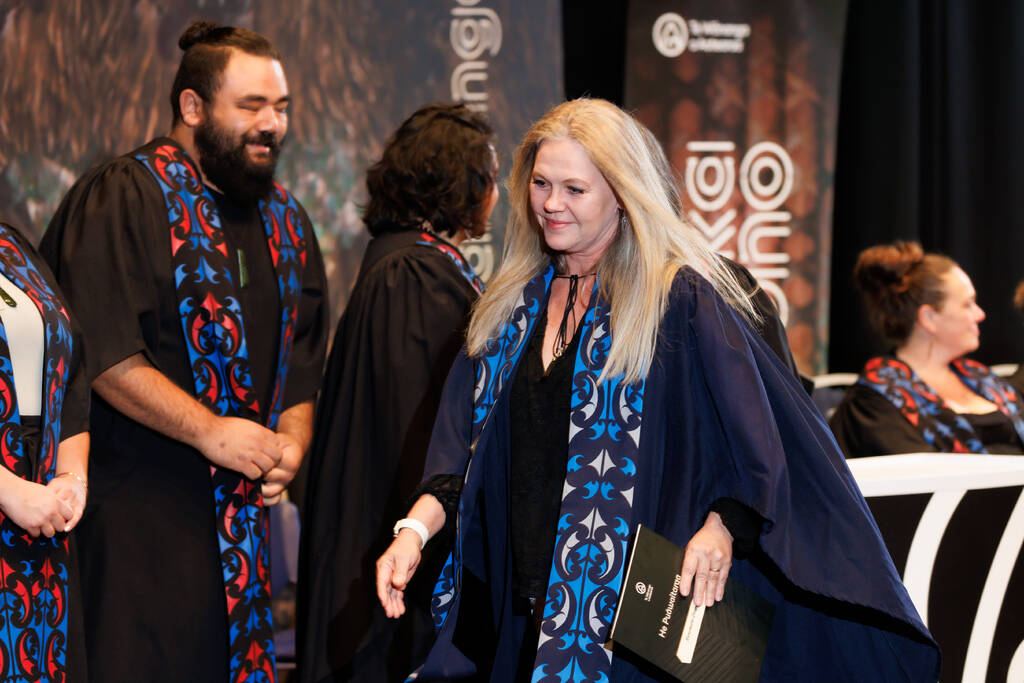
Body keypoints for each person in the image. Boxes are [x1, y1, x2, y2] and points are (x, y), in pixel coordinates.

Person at [374, 99, 939, 681]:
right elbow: (456, 453)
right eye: (541, 183)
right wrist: (412, 534)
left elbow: (757, 438)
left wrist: (723, 528)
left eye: (575, 189)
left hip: (637, 624)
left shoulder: (681, 301)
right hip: (516, 616)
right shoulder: (509, 309)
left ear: (622, 193)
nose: (551, 204)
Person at [39, 21, 327, 683]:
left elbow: (304, 357)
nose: (272, 126)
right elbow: (106, 354)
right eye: (250, 107)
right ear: (192, 108)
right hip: (137, 527)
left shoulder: (286, 218)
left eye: (280, 109)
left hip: (242, 546)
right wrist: (211, 433)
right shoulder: (123, 197)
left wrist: (291, 441)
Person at [298, 103, 497, 682]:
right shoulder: (414, 275)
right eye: (488, 176)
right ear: (460, 182)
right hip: (399, 540)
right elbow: (424, 431)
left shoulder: (405, 261)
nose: (498, 194)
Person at [830, 241, 1024, 456]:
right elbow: (922, 479)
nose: (980, 314)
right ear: (928, 318)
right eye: (968, 304)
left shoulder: (981, 378)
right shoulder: (875, 401)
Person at [0, 220, 89, 682]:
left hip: (41, 533)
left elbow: (72, 373)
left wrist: (72, 480)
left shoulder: (12, 245)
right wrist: (8, 489)